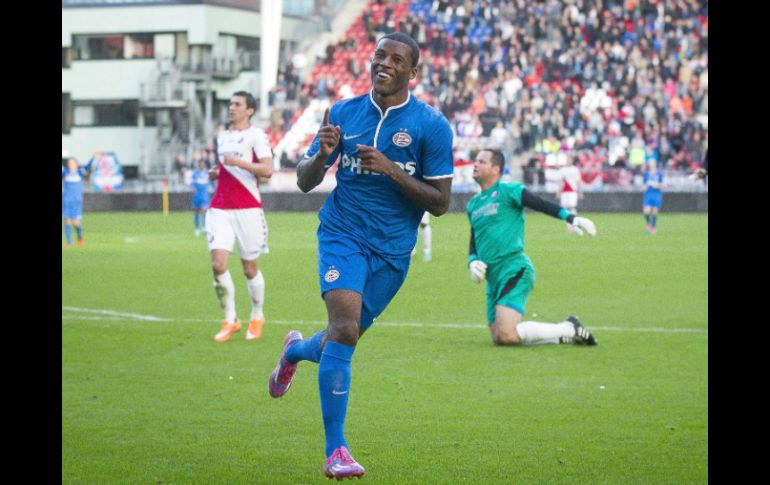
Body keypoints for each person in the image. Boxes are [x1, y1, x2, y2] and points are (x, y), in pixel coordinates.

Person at [267, 32, 454, 480]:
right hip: (343, 234)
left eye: (396, 59)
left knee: (340, 336)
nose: (383, 64)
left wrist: (390, 169)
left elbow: (441, 203)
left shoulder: (432, 126)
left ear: (414, 73)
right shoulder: (344, 113)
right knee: (345, 327)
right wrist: (323, 155)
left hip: (393, 251)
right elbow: (305, 181)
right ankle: (337, 451)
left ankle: (294, 351)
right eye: (379, 56)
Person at [467, 148, 599, 347]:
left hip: (514, 269)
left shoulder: (509, 191)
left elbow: (541, 204)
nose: (475, 164)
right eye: (475, 160)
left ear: (496, 169)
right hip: (492, 277)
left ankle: (568, 328)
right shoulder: (473, 204)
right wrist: (472, 261)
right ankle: (561, 335)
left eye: (481, 161)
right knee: (500, 338)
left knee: (505, 334)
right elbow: (474, 240)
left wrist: (572, 218)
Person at [207, 91, 274, 342]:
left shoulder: (256, 136)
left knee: (249, 268)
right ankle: (230, 319)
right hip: (219, 208)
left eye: (237, 104)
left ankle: (257, 316)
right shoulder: (222, 137)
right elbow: (228, 168)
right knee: (218, 265)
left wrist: (238, 163)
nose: (231, 108)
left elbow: (267, 171)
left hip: (248, 209)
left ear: (250, 110)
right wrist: (219, 172)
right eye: (230, 104)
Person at [62, 157, 92, 248]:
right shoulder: (65, 172)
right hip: (66, 200)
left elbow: (87, 166)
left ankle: (79, 235)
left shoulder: (79, 172)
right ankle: (69, 242)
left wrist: (93, 157)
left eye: (72, 163)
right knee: (67, 220)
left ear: (76, 164)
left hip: (76, 201)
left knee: (75, 222)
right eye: (69, 163)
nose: (70, 164)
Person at [555, 155, 584, 234]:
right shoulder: (562, 170)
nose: (568, 161)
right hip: (564, 192)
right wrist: (558, 192)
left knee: (571, 207)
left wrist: (580, 192)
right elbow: (561, 182)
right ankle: (569, 225)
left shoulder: (575, 170)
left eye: (569, 160)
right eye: (567, 160)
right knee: (565, 209)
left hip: (572, 191)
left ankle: (573, 224)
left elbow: (578, 181)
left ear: (572, 161)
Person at [190, 158, 212, 236]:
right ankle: (196, 228)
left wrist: (213, 189)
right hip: (197, 195)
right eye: (200, 164)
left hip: (204, 195)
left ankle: (204, 227)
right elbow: (191, 183)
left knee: (204, 210)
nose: (202, 165)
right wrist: (193, 188)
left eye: (203, 164)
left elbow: (212, 182)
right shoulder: (195, 173)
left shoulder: (208, 173)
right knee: (196, 212)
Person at [642, 159, 665, 234]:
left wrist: (658, 185)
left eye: (653, 163)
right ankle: (649, 224)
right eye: (650, 163)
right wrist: (644, 187)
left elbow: (664, 185)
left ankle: (653, 228)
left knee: (654, 212)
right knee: (646, 211)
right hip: (648, 194)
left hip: (656, 194)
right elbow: (644, 184)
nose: (651, 164)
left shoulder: (659, 174)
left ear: (655, 164)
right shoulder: (646, 174)